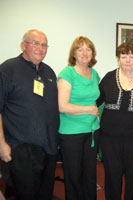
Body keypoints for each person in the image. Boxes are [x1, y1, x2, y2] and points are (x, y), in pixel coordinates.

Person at [0, 29, 59, 200]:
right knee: (26, 194)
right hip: (21, 146)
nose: (41, 48)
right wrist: (2, 144)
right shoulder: (8, 69)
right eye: (35, 43)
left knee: (45, 192)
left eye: (44, 45)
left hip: (48, 146)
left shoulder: (48, 72)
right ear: (23, 45)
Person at [97, 42, 133, 200]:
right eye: (124, 56)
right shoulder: (109, 78)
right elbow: (96, 100)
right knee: (112, 173)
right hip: (109, 137)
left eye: (132, 56)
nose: (128, 60)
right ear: (118, 59)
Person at [57, 36, 100, 200]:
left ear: (92, 53)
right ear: (73, 53)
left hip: (92, 131)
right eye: (80, 49)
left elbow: (97, 97)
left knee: (89, 175)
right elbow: (62, 106)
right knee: (73, 175)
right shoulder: (67, 73)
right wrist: (88, 109)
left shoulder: (94, 73)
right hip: (71, 133)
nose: (84, 53)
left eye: (88, 49)